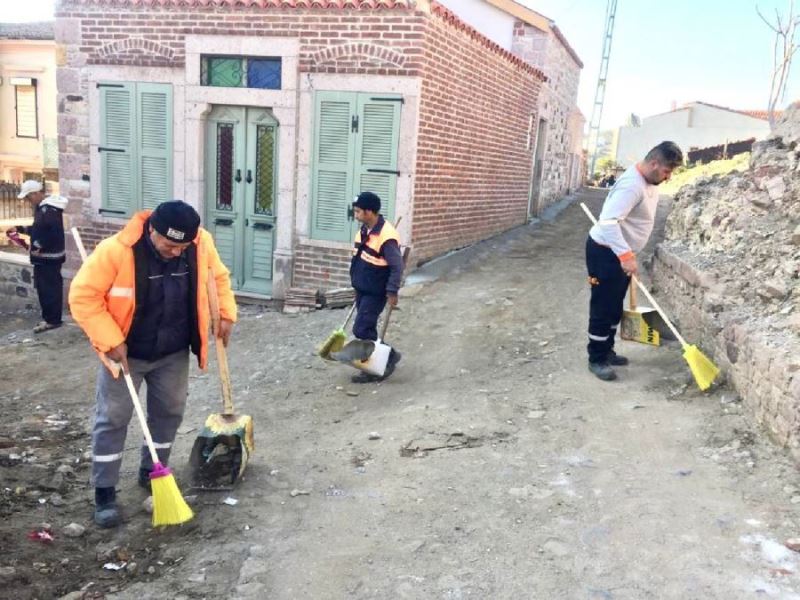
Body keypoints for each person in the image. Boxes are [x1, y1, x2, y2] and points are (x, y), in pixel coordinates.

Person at [69, 200, 237, 527]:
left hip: (173, 350)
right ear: (152, 231)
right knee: (113, 418)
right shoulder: (116, 251)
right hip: (126, 352)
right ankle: (104, 491)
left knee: (170, 412)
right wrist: (110, 339)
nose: (175, 251)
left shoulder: (200, 245)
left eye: (182, 246)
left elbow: (218, 279)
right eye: (169, 244)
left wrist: (227, 313)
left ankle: (153, 470)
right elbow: (83, 296)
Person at [585, 141, 683, 381]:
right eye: (667, 171)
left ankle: (607, 351)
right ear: (654, 163)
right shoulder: (632, 186)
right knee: (603, 306)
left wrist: (628, 254)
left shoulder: (648, 180)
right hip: (604, 252)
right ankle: (596, 358)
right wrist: (626, 256)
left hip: (619, 252)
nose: (668, 177)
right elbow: (608, 222)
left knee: (615, 305)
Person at [347, 191, 403, 384]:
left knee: (362, 329)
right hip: (363, 288)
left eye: (358, 212)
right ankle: (372, 365)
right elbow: (358, 260)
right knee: (366, 328)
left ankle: (388, 356)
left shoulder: (387, 236)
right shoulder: (363, 231)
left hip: (376, 291)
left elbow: (397, 266)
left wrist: (392, 291)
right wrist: (356, 285)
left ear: (369, 212)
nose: (355, 215)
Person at [6, 180, 67, 333]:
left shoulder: (49, 210)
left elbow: (53, 232)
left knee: (49, 289)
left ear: (36, 193)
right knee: (44, 288)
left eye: (28, 197)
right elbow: (39, 228)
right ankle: (50, 319)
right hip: (45, 258)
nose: (28, 200)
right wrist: (20, 229)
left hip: (49, 258)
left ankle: (53, 320)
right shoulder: (44, 209)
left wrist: (39, 246)